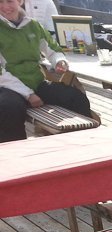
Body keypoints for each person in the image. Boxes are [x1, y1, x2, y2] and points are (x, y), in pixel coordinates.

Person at [0, 0, 91, 142]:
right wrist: (28, 94)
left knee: (76, 97)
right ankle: (16, 152)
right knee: (8, 108)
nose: (5, 6)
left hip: (36, 83)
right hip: (9, 87)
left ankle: (85, 142)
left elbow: (53, 49)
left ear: (20, 2)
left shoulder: (33, 25)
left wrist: (59, 61)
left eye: (10, 1)